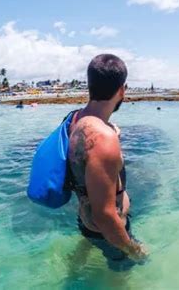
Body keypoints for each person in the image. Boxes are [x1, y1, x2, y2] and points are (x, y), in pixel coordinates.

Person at [67, 54, 148, 264]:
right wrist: (133, 250)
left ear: (90, 86)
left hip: (86, 221)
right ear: (122, 90)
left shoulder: (76, 119)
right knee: (123, 277)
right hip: (108, 231)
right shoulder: (103, 138)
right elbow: (105, 215)